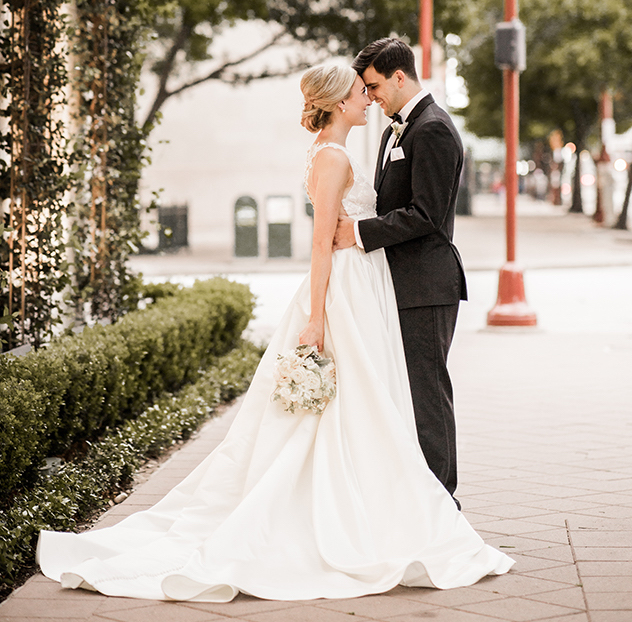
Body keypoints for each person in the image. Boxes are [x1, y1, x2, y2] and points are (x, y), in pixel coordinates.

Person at [37, 64, 513, 603]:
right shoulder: (332, 158)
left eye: (371, 89)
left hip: (366, 286)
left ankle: (388, 503)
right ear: (338, 103)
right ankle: (368, 513)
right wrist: (316, 316)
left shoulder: (347, 149)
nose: (369, 101)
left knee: (372, 403)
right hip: (344, 294)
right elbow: (318, 245)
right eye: (362, 93)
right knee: (358, 405)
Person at [333, 38, 467, 508]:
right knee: (407, 391)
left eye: (373, 87)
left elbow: (427, 214)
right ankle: (418, 497)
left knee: (427, 391)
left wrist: (360, 233)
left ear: (398, 76)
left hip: (427, 284)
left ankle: (442, 502)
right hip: (398, 283)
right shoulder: (395, 131)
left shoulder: (432, 129)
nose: (370, 98)